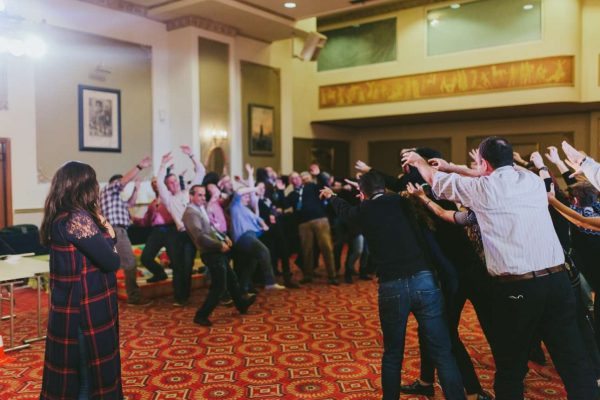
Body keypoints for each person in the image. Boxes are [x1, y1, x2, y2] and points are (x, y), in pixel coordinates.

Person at [403, 136, 598, 400]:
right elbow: (496, 170)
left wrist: (419, 161)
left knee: (510, 368)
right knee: (574, 362)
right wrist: (453, 166)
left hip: (518, 288)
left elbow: (435, 180)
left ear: (484, 163)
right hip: (558, 282)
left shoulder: (482, 189)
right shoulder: (530, 180)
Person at [320, 171, 465, 400]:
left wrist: (331, 196)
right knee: (443, 353)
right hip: (424, 279)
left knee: (393, 354)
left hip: (392, 286)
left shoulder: (364, 210)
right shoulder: (403, 201)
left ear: (362, 193)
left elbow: (345, 212)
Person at [39, 161, 122, 399]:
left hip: (71, 307)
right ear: (84, 187)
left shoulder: (61, 216)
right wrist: (109, 233)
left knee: (77, 378)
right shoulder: (78, 219)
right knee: (88, 381)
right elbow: (111, 262)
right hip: (86, 311)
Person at [182, 185, 256, 326]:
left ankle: (241, 304)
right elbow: (200, 237)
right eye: (199, 195)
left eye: (204, 195)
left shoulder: (199, 209)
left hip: (215, 250)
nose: (203, 198)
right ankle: (201, 315)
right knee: (219, 286)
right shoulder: (190, 213)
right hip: (210, 252)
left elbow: (210, 229)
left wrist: (223, 237)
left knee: (231, 279)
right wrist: (219, 245)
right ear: (191, 196)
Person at [100, 156, 152, 305]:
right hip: (117, 231)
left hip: (114, 231)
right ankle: (134, 297)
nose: (124, 185)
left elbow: (130, 203)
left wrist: (136, 189)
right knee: (130, 263)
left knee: (113, 265)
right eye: (121, 183)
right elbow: (123, 181)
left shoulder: (115, 199)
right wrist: (140, 166)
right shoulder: (109, 189)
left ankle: (105, 295)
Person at [157, 145, 205, 306]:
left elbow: (201, 172)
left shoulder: (189, 193)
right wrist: (163, 164)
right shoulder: (169, 200)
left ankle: (185, 295)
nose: (174, 184)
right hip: (179, 234)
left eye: (175, 181)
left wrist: (192, 155)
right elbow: (159, 182)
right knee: (178, 266)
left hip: (192, 234)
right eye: (170, 183)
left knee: (188, 264)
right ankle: (180, 297)